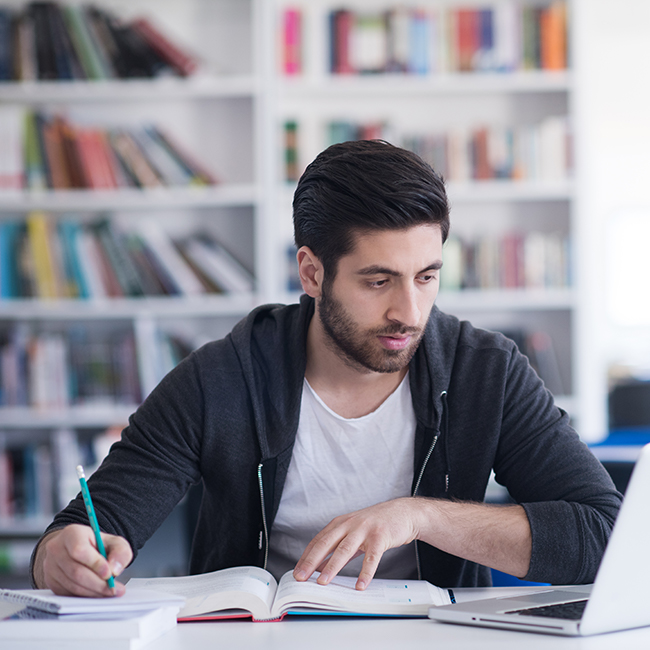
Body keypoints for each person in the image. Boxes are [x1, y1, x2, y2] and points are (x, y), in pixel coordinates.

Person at [31, 140, 621, 598]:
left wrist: (419, 517)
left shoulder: (485, 373)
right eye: (378, 280)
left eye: (427, 276)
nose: (409, 313)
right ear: (311, 273)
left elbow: (602, 537)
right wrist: (63, 555)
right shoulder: (219, 379)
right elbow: (82, 528)